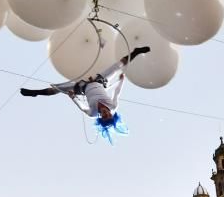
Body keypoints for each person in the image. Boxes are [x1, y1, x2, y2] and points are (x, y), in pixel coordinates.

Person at [21, 47, 151, 139]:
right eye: (108, 115)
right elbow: (117, 93)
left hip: (82, 88)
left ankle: (35, 92)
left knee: (58, 89)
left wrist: (73, 97)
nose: (106, 113)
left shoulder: (93, 113)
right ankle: (135, 52)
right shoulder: (113, 106)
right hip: (100, 82)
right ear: (111, 114)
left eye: (104, 116)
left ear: (101, 117)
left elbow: (82, 107)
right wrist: (120, 81)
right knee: (117, 67)